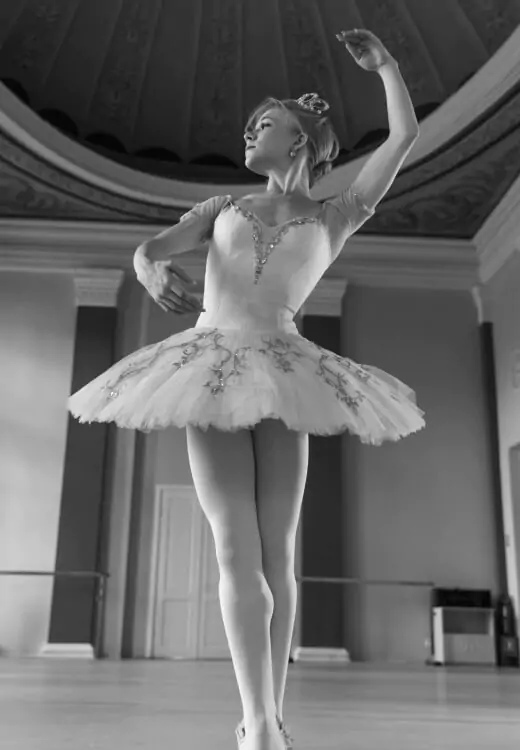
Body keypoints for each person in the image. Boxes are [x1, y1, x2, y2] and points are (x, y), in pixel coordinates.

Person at [68, 28, 425, 750]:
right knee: (236, 546)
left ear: (300, 141)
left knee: (277, 553)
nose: (248, 132)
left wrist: (386, 65)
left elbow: (404, 137)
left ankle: (269, 716)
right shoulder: (221, 208)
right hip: (213, 368)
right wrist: (146, 267)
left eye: (265, 123)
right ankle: (258, 720)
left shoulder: (338, 213)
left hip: (286, 369)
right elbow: (151, 248)